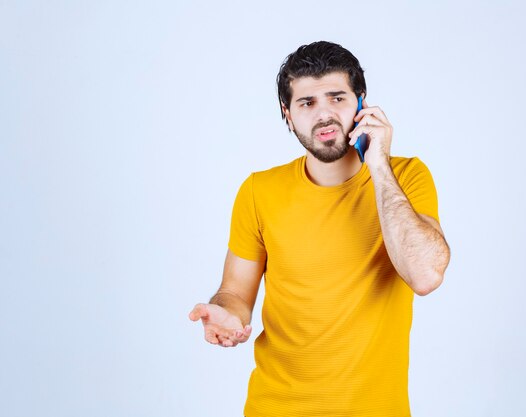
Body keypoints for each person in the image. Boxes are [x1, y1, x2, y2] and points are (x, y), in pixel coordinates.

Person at [189, 40, 451, 417]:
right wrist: (226, 313)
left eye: (337, 98)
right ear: (288, 114)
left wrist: (378, 164)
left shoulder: (405, 178)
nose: (324, 115)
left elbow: (425, 275)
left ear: (362, 103)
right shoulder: (258, 191)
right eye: (307, 103)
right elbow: (235, 292)